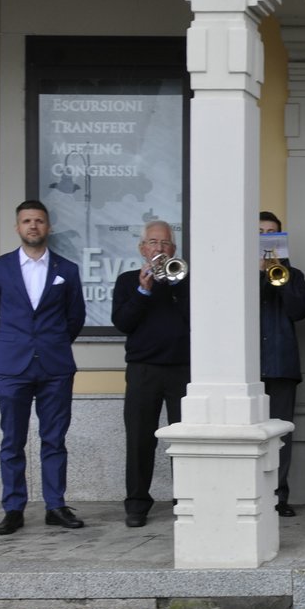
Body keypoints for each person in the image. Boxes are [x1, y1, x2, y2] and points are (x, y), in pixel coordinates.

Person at [0, 200, 87, 534]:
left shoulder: (66, 270)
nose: (33, 226)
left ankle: (55, 506)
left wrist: (50, 345)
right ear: (18, 227)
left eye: (39, 221)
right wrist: (11, 347)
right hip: (13, 368)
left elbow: (75, 317)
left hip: (55, 367)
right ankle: (14, 508)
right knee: (12, 441)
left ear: (48, 226)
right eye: (27, 221)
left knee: (54, 439)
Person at [112, 219, 191, 529]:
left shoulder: (184, 280)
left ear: (174, 249)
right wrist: (143, 292)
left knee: (185, 441)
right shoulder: (127, 280)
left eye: (166, 244)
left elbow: (195, 320)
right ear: (142, 248)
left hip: (182, 369)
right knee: (140, 438)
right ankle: (137, 503)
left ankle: (185, 499)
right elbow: (123, 323)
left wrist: (175, 286)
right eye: (154, 243)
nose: (160, 249)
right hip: (143, 369)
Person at [257, 212, 305, 518]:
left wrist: (278, 276)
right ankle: (248, 493)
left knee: (279, 437)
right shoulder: (236, 273)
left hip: (281, 367)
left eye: (271, 234)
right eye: (260, 233)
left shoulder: (293, 275)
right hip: (247, 370)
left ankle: (279, 496)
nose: (265, 238)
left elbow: (300, 310)